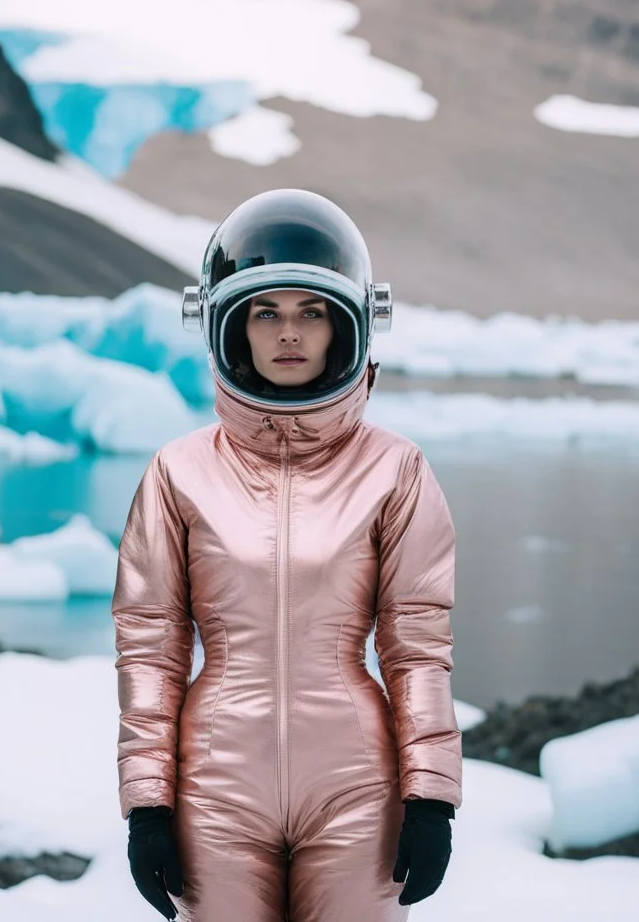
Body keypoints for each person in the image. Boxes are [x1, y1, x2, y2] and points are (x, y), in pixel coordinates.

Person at [113, 189, 461, 922]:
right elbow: (150, 649)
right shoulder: (178, 472)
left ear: (353, 324)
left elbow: (417, 647)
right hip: (214, 788)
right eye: (266, 312)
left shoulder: (396, 469)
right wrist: (148, 803)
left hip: (357, 787)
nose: (289, 333)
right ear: (227, 326)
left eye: (313, 311)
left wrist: (430, 795)